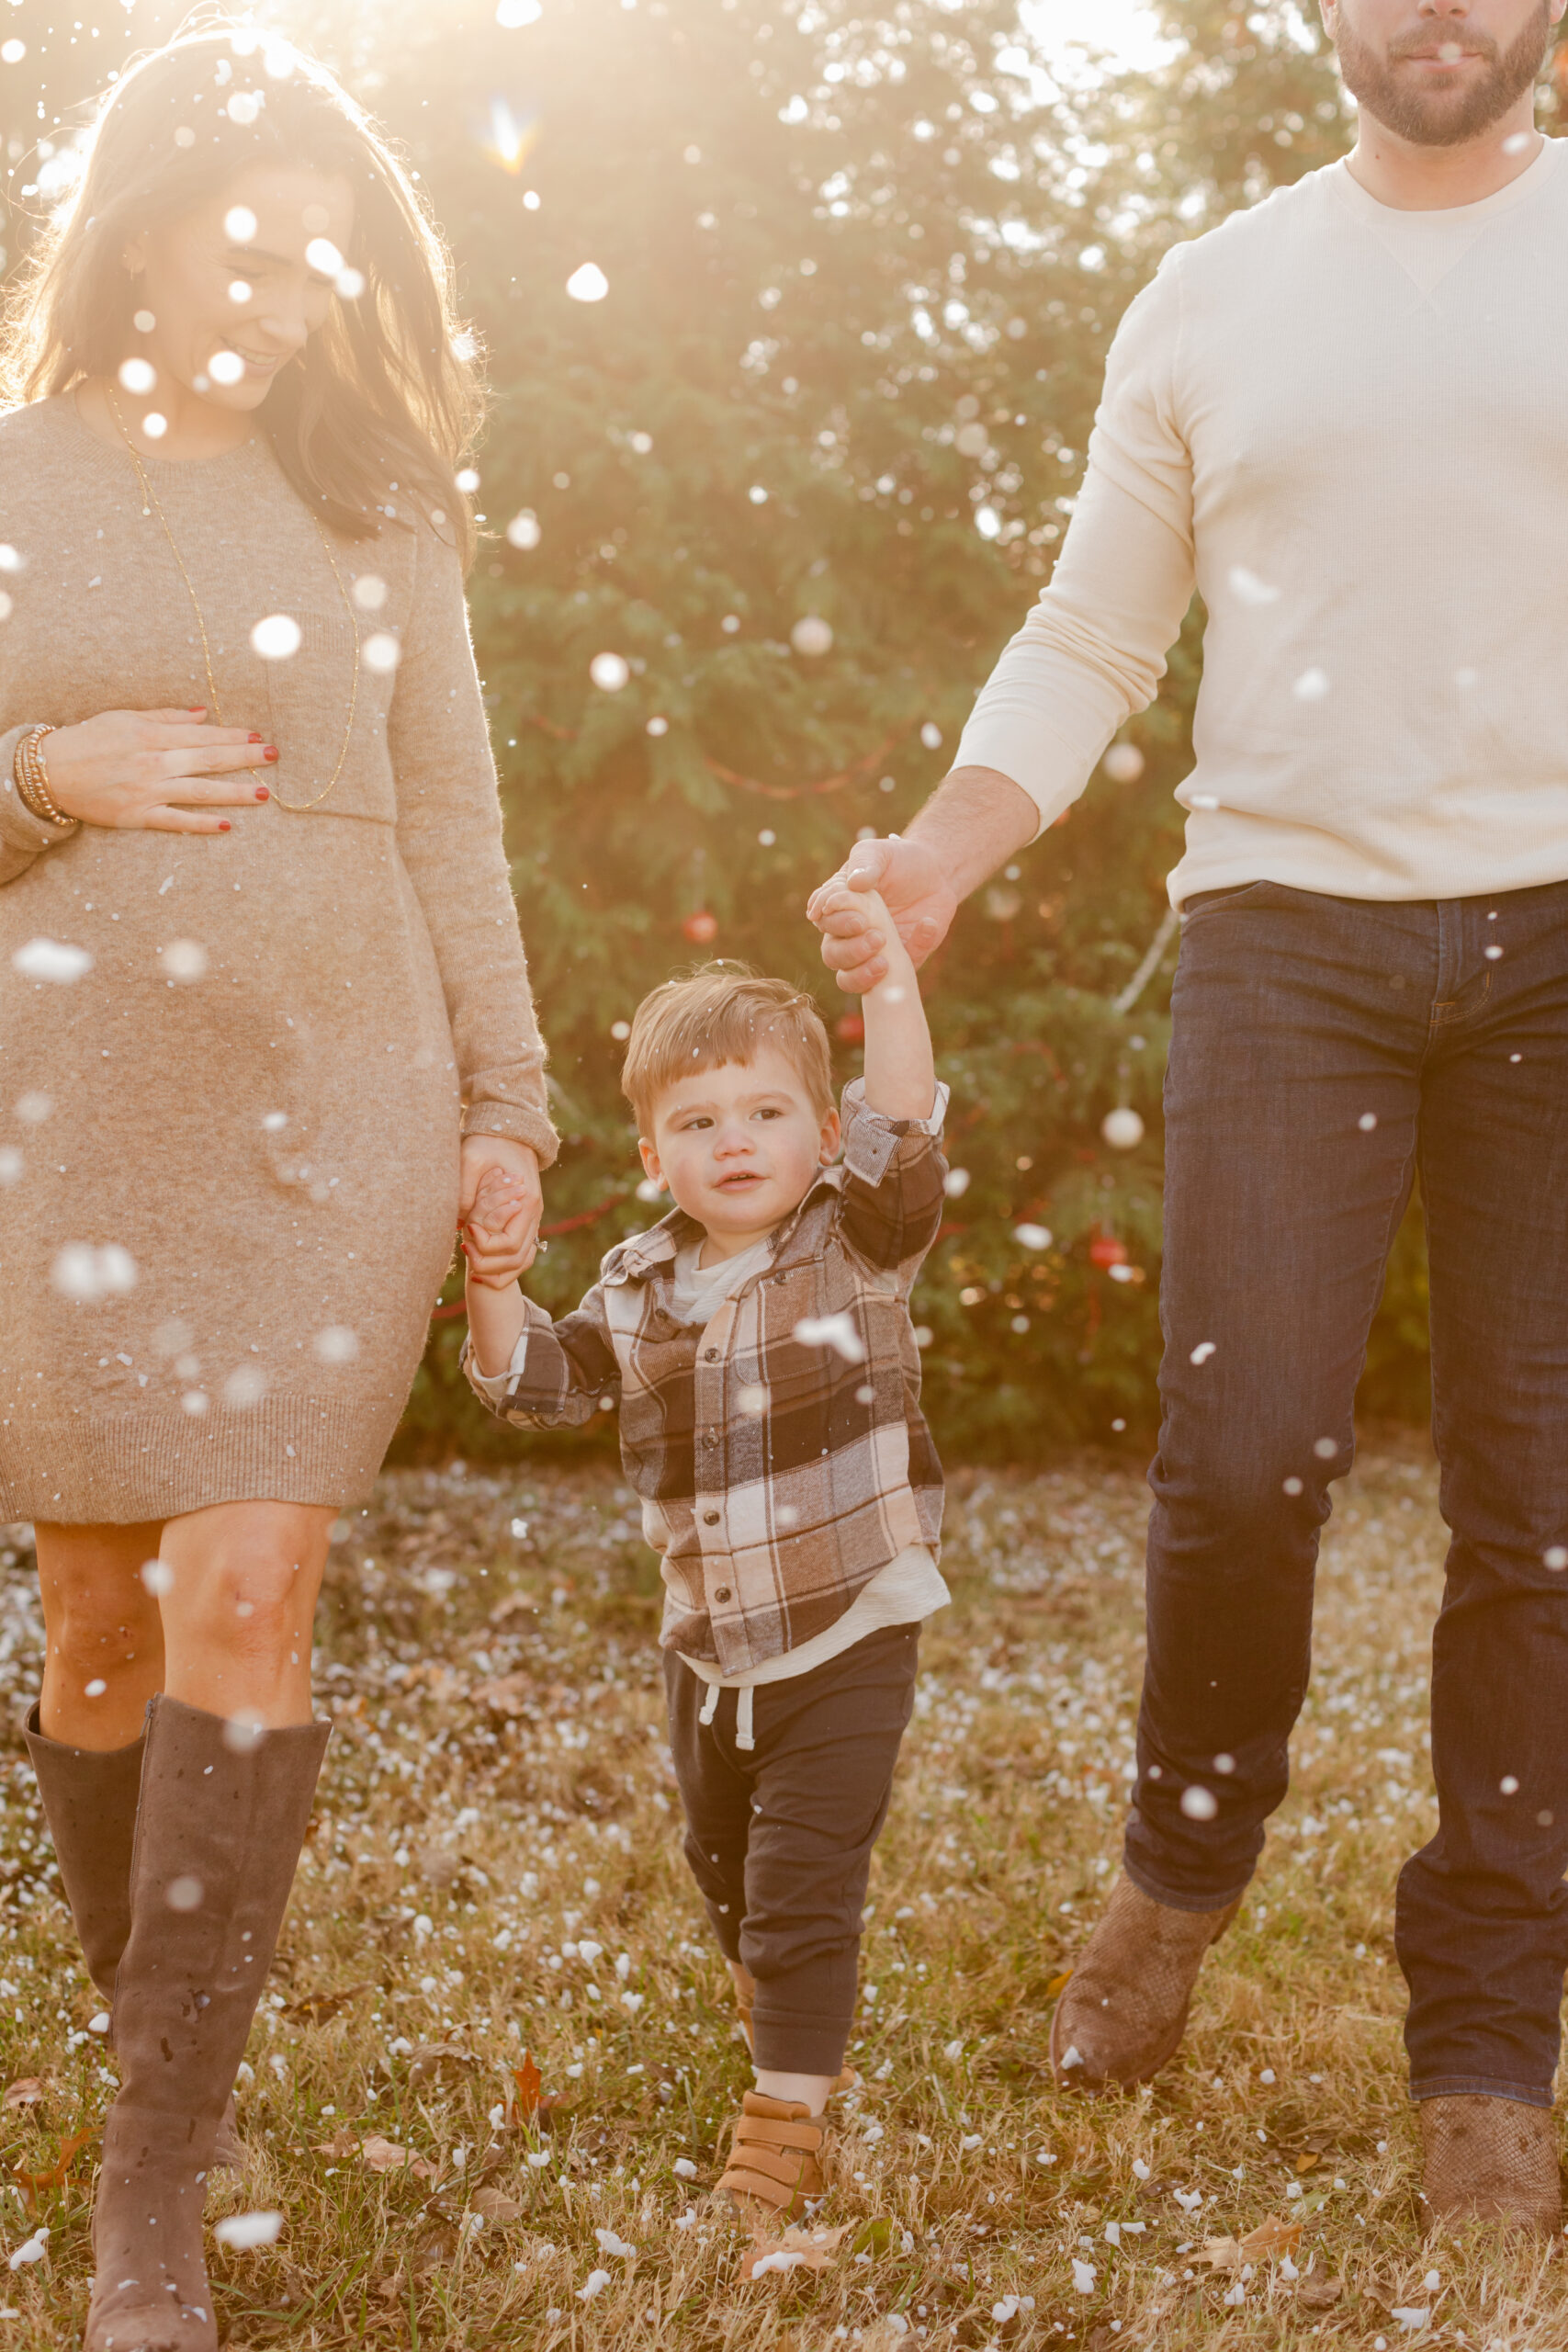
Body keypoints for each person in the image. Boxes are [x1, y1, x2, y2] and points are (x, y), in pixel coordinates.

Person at [810, 0, 1568, 2236]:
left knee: (1540, 1513)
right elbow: (1088, 632)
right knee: (1242, 1462)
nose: (1438, 8)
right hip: (1282, 938)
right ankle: (1180, 1852)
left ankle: (1486, 2034)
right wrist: (941, 854)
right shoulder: (1210, 294)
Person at [0, 28, 553, 2346]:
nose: (291, 283)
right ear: (138, 222)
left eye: (325, 249)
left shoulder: (381, 510)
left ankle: (147, 2192)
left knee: (247, 1581)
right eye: (254, 232)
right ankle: (174, 2057)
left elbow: (452, 820)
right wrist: (40, 769)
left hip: (336, 1086)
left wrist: (506, 1106)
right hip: (69, 1104)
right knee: (106, 1617)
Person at [463, 933, 948, 2222]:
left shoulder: (855, 1244)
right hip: (707, 1644)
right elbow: (537, 1388)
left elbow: (904, 1118)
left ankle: (785, 2124)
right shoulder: (638, 1287)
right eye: (698, 1120)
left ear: (822, 1130)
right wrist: (497, 1286)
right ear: (651, 1156)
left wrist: (884, 976)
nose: (735, 1141)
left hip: (848, 1626)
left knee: (799, 1882)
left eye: (767, 1112)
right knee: (721, 1862)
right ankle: (785, 1995)